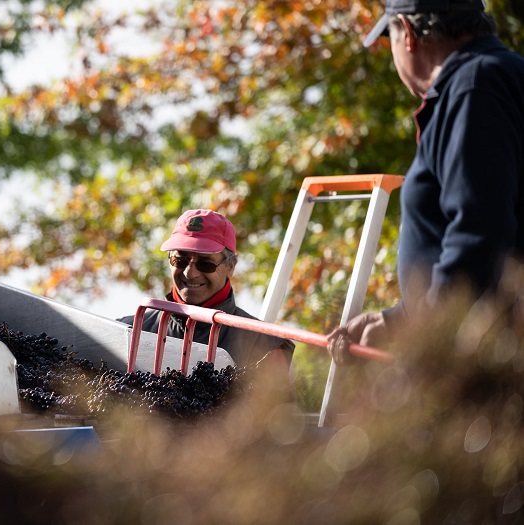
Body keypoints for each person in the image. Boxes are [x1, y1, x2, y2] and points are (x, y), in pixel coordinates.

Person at [329, 0, 524, 361]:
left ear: (408, 33)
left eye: (389, 38)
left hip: (492, 360)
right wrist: (399, 320)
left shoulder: (476, 87)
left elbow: (479, 235)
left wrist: (422, 345)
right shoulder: (492, 78)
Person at [119, 208, 295, 370]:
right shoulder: (125, 331)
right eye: (180, 260)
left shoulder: (266, 348)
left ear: (231, 267)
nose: (190, 273)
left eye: (205, 264)